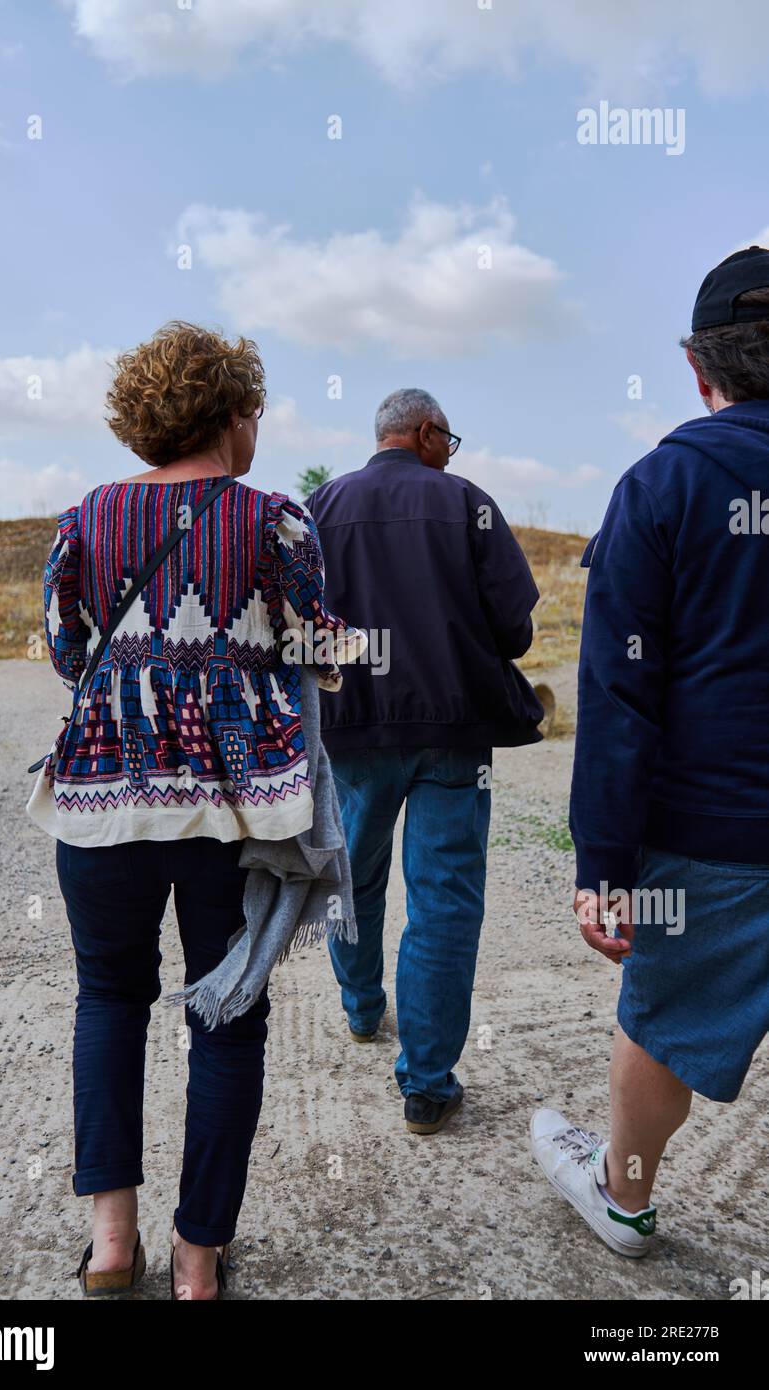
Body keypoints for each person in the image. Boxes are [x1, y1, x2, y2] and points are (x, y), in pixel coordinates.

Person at [26, 321, 364, 1298]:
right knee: (228, 1022)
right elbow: (321, 651)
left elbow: (65, 647)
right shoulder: (272, 520)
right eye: (254, 407)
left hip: (100, 811)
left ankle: (112, 1244)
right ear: (231, 413)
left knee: (108, 1000)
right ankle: (199, 1260)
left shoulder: (85, 517)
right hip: (232, 819)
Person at [532, 248, 769, 1257]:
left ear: (695, 366)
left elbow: (617, 697)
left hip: (714, 830)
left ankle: (622, 1197)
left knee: (661, 1014)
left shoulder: (663, 482)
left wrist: (603, 864)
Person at [307, 388, 544, 1134]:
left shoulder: (319, 508)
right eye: (450, 438)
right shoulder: (467, 503)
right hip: (454, 732)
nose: (451, 451)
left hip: (351, 730)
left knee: (352, 873)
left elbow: (291, 626)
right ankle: (428, 1085)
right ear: (427, 431)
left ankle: (362, 1008)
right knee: (444, 900)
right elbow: (514, 630)